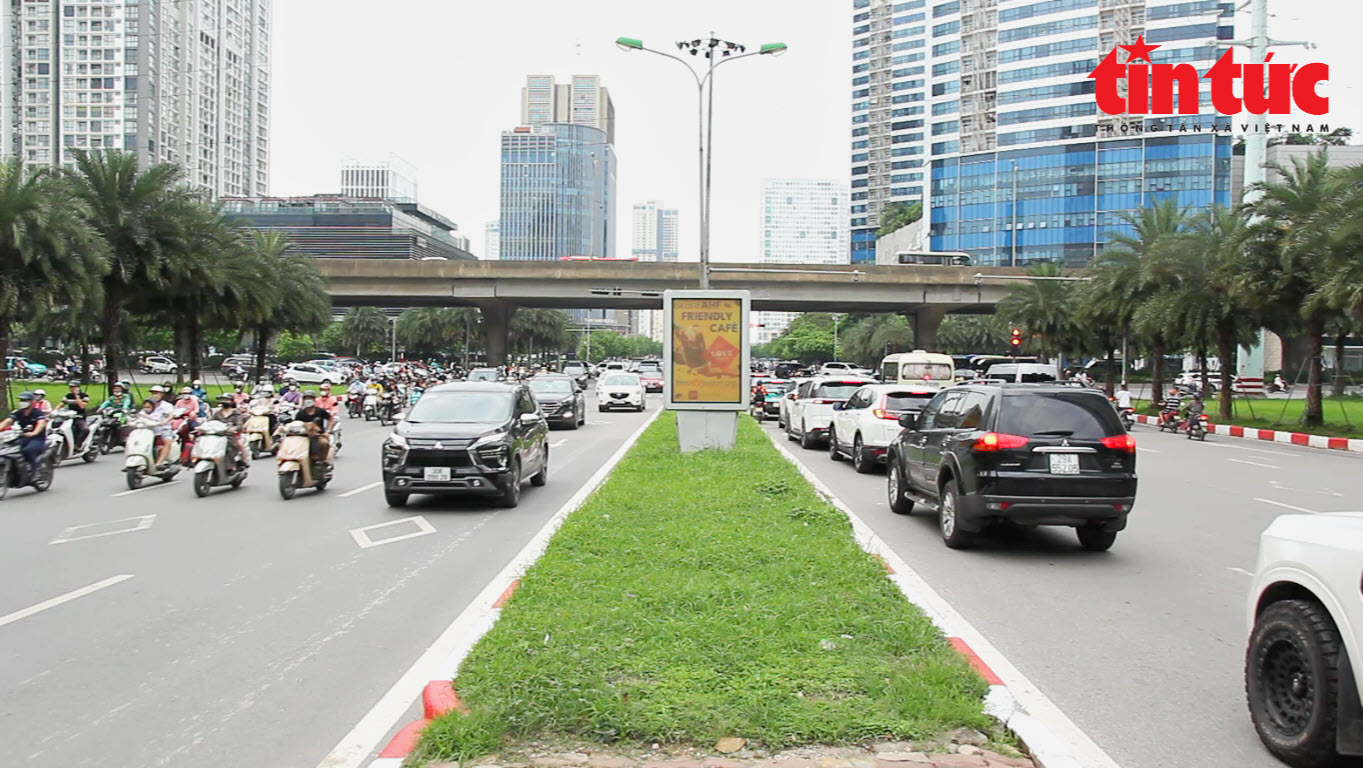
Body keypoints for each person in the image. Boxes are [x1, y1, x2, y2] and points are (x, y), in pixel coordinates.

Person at [0, 392, 49, 474]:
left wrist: (34, 432)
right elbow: (8, 421)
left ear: (32, 402)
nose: (23, 402)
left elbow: (41, 423)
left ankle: (35, 471)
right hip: (23, 437)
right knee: (9, 448)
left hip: (37, 438)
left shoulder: (37, 413)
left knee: (29, 450)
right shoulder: (19, 412)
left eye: (25, 400)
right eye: (21, 400)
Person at [293, 392, 332, 469]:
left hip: (319, 435)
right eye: (306, 399)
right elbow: (295, 424)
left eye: (310, 398)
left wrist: (327, 431)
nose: (308, 401)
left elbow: (331, 419)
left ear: (314, 400)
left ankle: (322, 461)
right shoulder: (300, 413)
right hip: (304, 436)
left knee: (324, 443)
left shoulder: (320, 411)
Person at [210, 393, 249, 468]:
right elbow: (210, 422)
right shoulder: (217, 413)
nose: (224, 401)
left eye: (226, 400)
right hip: (218, 435)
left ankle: (242, 461)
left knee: (238, 444)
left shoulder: (236, 413)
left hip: (232, 435)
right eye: (223, 400)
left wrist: (234, 428)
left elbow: (239, 425)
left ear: (231, 401)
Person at [142, 385, 177, 467]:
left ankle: (159, 462)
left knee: (168, 441)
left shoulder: (166, 405)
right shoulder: (148, 404)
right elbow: (141, 414)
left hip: (163, 428)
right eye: (153, 393)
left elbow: (171, 415)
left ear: (161, 394)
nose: (155, 395)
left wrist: (165, 421)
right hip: (149, 429)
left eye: (157, 393)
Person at [61, 380, 91, 449]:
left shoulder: (84, 396)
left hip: (79, 417)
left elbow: (82, 406)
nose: (72, 389)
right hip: (69, 417)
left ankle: (77, 445)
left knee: (85, 430)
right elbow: (61, 404)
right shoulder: (68, 396)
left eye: (74, 387)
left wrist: (77, 396)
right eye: (71, 387)